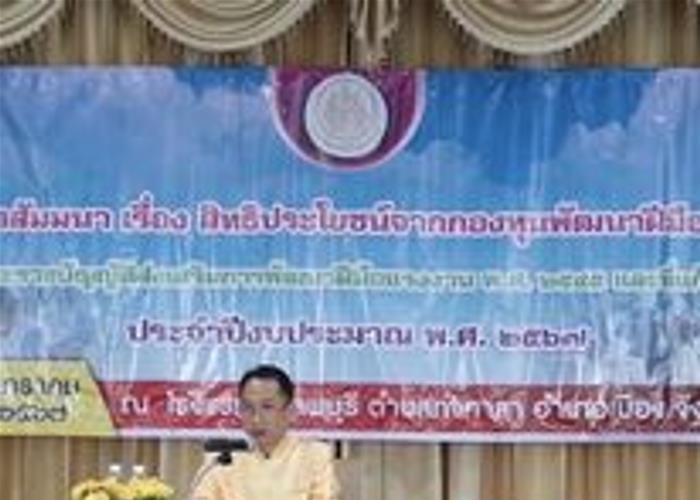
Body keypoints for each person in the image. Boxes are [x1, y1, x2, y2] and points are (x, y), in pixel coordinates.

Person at [191, 364, 341, 500]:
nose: (256, 419)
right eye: (248, 408)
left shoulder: (315, 456)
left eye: (267, 407)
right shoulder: (223, 458)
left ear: (290, 412)